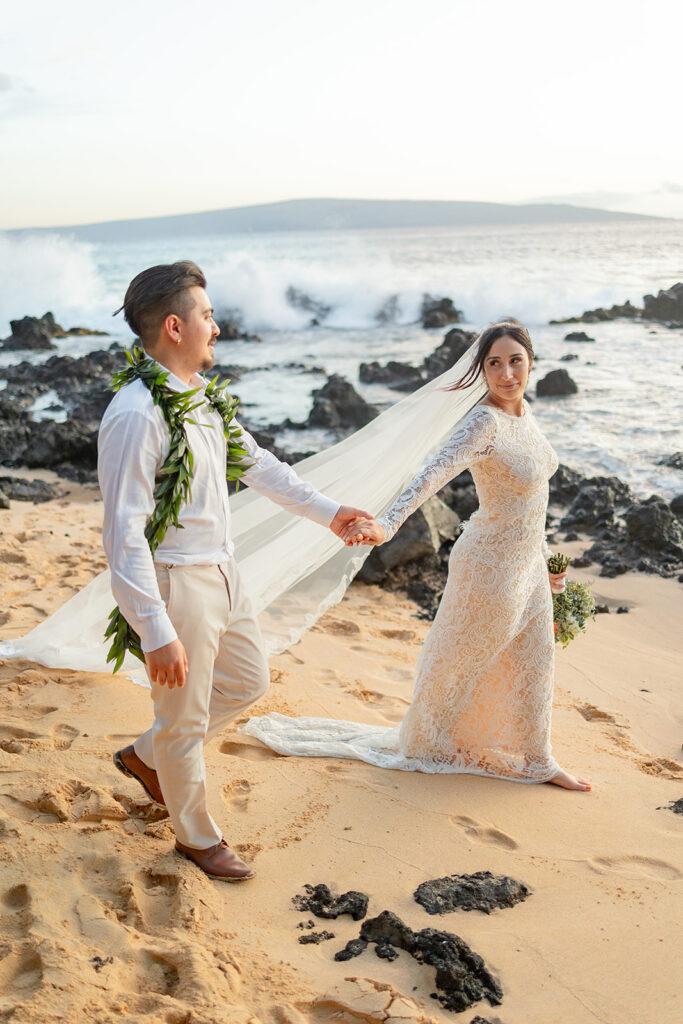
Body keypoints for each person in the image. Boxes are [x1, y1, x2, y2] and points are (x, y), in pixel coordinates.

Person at [100, 261, 370, 881]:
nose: (216, 328)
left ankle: (146, 759)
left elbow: (263, 466)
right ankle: (197, 836)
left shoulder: (202, 399)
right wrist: (155, 627)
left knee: (247, 682)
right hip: (176, 584)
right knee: (184, 719)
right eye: (207, 316)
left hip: (224, 571)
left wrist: (330, 513)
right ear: (175, 326)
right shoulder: (137, 414)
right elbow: (122, 533)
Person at [242, 320, 591, 792]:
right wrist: (387, 524)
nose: (507, 373)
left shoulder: (523, 414)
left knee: (535, 659)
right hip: (490, 565)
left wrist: (550, 564)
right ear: (481, 370)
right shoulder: (483, 423)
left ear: (531, 363)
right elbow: (430, 474)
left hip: (528, 563)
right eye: (494, 364)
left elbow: (535, 501)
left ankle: (538, 759)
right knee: (457, 663)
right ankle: (425, 741)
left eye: (515, 361)